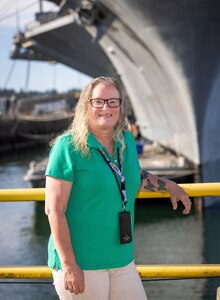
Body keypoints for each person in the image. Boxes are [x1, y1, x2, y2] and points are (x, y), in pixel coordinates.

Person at [45, 76, 192, 300]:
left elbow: (131, 176)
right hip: (83, 261)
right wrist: (69, 265)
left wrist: (169, 185)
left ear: (121, 106)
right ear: (87, 105)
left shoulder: (125, 139)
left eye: (113, 101)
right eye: (99, 102)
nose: (106, 107)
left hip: (121, 258)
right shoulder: (68, 147)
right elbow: (54, 210)